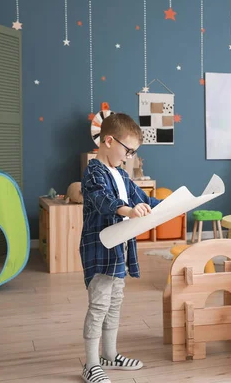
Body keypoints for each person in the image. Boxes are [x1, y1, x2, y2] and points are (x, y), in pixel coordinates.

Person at [79, 113, 162, 383]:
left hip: (119, 250)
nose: (129, 157)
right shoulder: (94, 171)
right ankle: (91, 364)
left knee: (115, 303)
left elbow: (144, 198)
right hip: (100, 249)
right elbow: (103, 200)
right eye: (128, 151)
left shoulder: (122, 175)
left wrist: (175, 205)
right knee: (99, 304)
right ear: (108, 140)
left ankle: (110, 355)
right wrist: (128, 210)